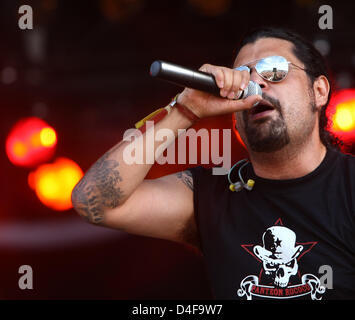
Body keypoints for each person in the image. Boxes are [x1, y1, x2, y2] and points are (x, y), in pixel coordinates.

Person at [71, 27, 355, 300]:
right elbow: (94, 201)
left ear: (318, 91)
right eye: (244, 77)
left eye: (275, 69)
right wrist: (185, 110)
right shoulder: (212, 196)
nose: (257, 84)